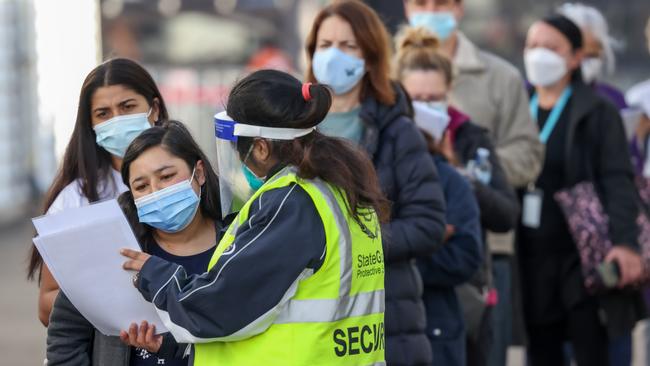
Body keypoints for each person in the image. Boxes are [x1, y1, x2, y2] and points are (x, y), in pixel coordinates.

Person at [120, 70, 389, 365]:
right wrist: (177, 348)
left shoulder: (292, 202)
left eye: (240, 150)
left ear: (261, 148)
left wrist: (156, 275)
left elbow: (221, 307)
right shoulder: (340, 192)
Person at [305, 2, 447, 365]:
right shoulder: (294, 134)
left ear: (369, 57)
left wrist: (350, 245)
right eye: (325, 45)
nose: (334, 55)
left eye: (348, 46)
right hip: (310, 323)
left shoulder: (399, 132)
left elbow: (427, 225)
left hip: (385, 317)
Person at [403, 2, 543, 363]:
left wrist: (458, 175)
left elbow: (504, 209)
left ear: (450, 93)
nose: (425, 109)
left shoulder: (470, 136)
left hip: (470, 276)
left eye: (434, 100)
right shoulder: (387, 140)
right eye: (416, 100)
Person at [520, 15, 646, 366]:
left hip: (584, 258)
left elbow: (618, 180)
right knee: (541, 351)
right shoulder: (519, 105)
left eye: (551, 47)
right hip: (531, 259)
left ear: (576, 57)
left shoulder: (598, 110)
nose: (539, 55)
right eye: (532, 46)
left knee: (592, 348)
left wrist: (625, 243)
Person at [47, 120, 222, 366]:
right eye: (141, 186)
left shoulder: (237, 246)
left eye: (167, 176)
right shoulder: (114, 249)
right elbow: (65, 332)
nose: (156, 191)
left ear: (199, 172)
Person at [27, 58, 169, 326]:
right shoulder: (76, 200)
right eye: (103, 114)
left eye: (127, 107)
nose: (117, 121)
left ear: (155, 109)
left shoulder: (191, 182)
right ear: (90, 124)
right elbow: (47, 305)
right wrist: (116, 306)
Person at [557, 2, 628, 111]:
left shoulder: (614, 99)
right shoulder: (532, 95)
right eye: (577, 53)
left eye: (591, 55)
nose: (582, 61)